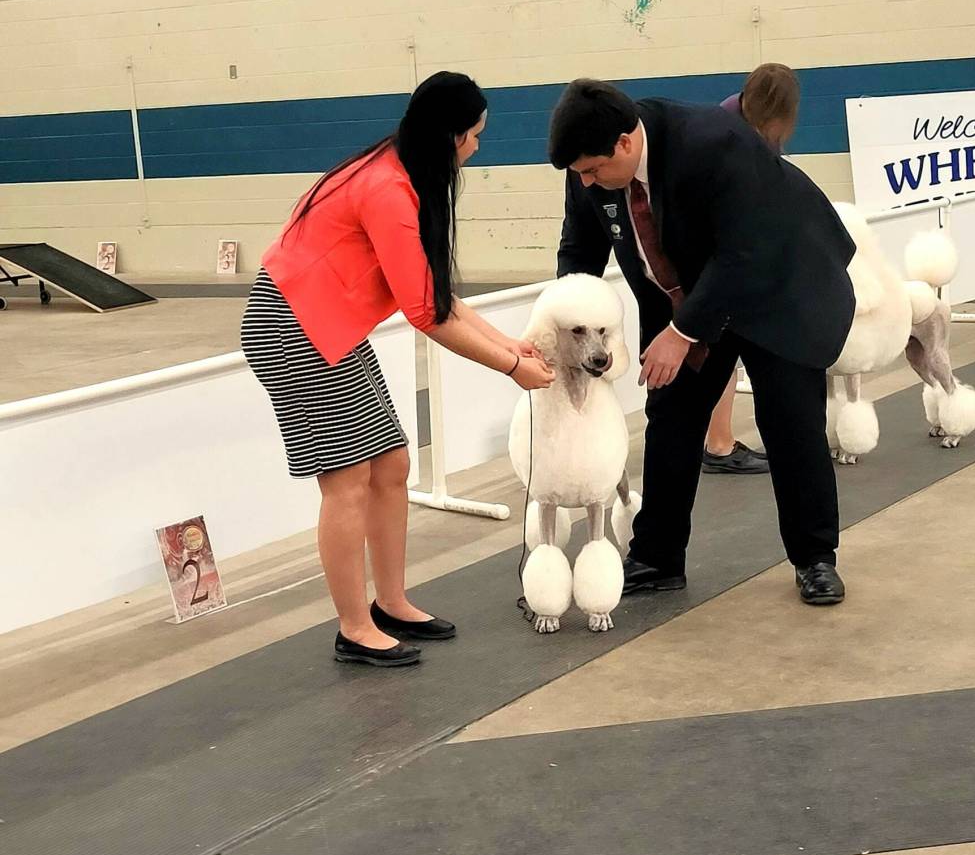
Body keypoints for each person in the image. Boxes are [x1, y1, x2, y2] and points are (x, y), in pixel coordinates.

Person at [242, 72, 553, 668]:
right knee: (346, 482)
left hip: (330, 325)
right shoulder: (387, 188)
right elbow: (426, 315)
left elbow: (437, 293)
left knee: (392, 463)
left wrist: (510, 344)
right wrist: (511, 366)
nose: (477, 147)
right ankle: (354, 628)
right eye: (475, 136)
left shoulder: (402, 169)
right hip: (291, 328)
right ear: (451, 136)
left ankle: (390, 603)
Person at [550, 78, 855, 606]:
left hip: (778, 285)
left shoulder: (715, 142)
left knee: (790, 422)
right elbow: (579, 253)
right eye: (580, 174)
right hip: (691, 294)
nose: (587, 182)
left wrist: (683, 332)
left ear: (625, 142)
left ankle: (814, 558)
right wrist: (564, 327)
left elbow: (745, 251)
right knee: (671, 416)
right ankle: (657, 557)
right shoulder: (588, 172)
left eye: (594, 170)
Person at [704, 63, 802, 475]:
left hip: (734, 256)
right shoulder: (727, 133)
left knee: (724, 355)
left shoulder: (739, 121)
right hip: (722, 258)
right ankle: (718, 445)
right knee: (721, 353)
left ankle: (719, 441)